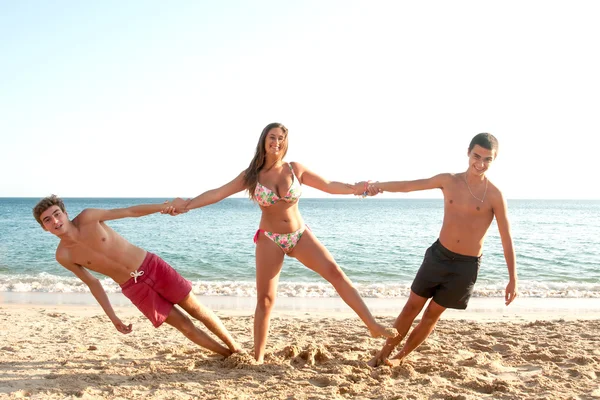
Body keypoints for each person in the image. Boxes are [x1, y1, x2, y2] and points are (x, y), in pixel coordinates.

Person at [167, 122, 395, 363]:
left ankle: (372, 325)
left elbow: (329, 186)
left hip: (299, 234)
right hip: (270, 239)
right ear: (264, 140)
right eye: (272, 137)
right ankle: (258, 358)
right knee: (266, 300)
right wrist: (187, 206)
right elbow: (218, 193)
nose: (277, 142)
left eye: (281, 138)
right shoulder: (251, 176)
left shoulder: (295, 169)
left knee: (335, 273)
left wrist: (357, 189)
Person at [366, 132, 518, 367]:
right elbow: (410, 185)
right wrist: (377, 186)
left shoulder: (495, 196)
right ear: (468, 153)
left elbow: (506, 237)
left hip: (465, 267)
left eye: (488, 159)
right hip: (439, 256)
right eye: (476, 156)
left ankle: (400, 357)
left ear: (494, 160)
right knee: (411, 307)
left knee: (430, 316)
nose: (480, 163)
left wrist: (512, 279)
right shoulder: (449, 181)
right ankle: (383, 353)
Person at [33, 195, 241, 357]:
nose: (55, 221)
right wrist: (112, 317)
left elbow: (130, 211)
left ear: (65, 212)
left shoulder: (88, 217)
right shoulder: (64, 255)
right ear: (44, 228)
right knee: (184, 326)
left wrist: (164, 206)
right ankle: (228, 355)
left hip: (151, 266)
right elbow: (93, 283)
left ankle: (236, 347)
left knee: (196, 310)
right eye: (48, 220)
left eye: (57, 214)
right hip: (134, 288)